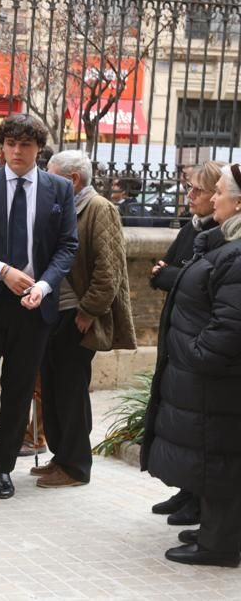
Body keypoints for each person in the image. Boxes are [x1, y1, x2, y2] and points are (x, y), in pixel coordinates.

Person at [0, 113, 78, 500]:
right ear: (2, 146)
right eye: (10, 144)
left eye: (25, 145)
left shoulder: (59, 190)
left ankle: (3, 468)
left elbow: (67, 246)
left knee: (19, 390)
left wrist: (44, 284)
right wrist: (0, 270)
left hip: (34, 306)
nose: (17, 151)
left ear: (39, 149)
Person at [141, 162, 241, 568]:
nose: (211, 197)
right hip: (206, 379)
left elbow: (231, 323)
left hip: (216, 380)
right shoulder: (222, 243)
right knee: (215, 456)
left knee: (220, 460)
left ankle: (218, 545)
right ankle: (214, 532)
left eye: (219, 191)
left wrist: (199, 354)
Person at [38, 150, 136, 489]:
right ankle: (61, 456)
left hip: (76, 316)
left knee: (70, 390)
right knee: (54, 387)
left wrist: (88, 312)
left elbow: (108, 271)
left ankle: (76, 466)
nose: (45, 182)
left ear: (72, 180)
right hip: (56, 313)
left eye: (51, 176)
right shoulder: (66, 209)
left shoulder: (98, 209)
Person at [147, 159, 224, 525]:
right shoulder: (191, 228)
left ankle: (198, 499)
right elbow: (160, 272)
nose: (189, 196)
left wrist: (171, 276)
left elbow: (190, 280)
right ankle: (184, 490)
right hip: (177, 333)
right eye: (189, 188)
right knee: (178, 419)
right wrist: (170, 275)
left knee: (197, 424)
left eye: (199, 190)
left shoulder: (223, 234)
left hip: (198, 340)